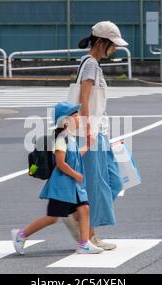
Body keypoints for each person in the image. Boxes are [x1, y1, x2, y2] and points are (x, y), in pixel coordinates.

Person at [63, 21, 127, 250]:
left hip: (98, 131)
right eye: (113, 44)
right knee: (96, 185)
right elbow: (84, 99)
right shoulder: (90, 64)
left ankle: (80, 221)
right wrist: (89, 131)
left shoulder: (91, 63)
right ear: (102, 42)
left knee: (114, 181)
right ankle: (88, 236)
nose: (115, 48)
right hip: (89, 132)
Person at [11, 102, 103, 255]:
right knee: (52, 218)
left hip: (72, 187)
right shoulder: (61, 140)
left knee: (84, 209)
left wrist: (88, 145)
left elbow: (75, 157)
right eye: (75, 116)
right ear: (65, 121)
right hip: (62, 186)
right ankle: (21, 235)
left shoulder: (70, 139)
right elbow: (61, 164)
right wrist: (76, 175)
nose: (79, 118)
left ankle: (84, 244)